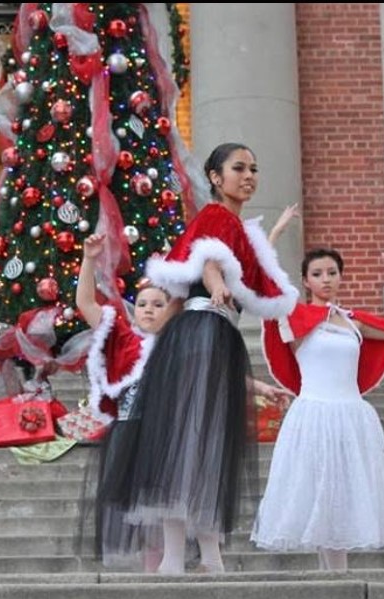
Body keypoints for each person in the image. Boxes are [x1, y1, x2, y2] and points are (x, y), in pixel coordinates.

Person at [118, 142, 300, 575]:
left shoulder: (235, 223)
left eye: (254, 168)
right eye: (239, 168)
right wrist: (216, 284)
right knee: (193, 439)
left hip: (213, 335)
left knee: (202, 440)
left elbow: (242, 261)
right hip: (204, 332)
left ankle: (205, 556)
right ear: (216, 178)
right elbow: (210, 258)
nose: (249, 175)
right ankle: (181, 558)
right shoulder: (216, 216)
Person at [252, 248, 384, 571]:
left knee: (342, 495)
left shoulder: (354, 321)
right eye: (317, 274)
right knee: (319, 492)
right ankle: (334, 576)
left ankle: (336, 574)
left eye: (332, 272)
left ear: (341, 276)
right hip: (314, 414)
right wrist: (274, 236)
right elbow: (264, 285)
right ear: (306, 281)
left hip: (351, 415)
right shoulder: (294, 316)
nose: (326, 279)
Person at [75, 233, 181, 570]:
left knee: (160, 504)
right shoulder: (122, 338)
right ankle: (146, 570)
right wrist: (89, 259)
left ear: (171, 309)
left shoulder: (176, 342)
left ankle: (161, 566)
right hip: (127, 432)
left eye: (158, 304)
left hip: (162, 435)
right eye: (143, 303)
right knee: (133, 507)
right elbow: (86, 304)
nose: (149, 310)